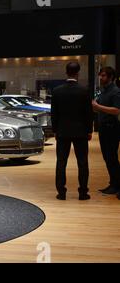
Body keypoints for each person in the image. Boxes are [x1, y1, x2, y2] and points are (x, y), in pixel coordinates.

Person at [51, 62, 93, 201]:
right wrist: (89, 130)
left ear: (66, 72)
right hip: (80, 131)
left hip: (62, 131)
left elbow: (54, 114)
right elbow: (88, 113)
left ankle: (61, 193)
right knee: (82, 162)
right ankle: (82, 193)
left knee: (61, 162)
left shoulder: (57, 91)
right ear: (78, 73)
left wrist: (55, 130)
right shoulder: (84, 90)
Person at [92, 67, 120, 199]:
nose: (101, 78)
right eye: (100, 76)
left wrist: (98, 107)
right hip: (104, 128)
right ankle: (113, 183)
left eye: (103, 76)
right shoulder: (104, 91)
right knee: (107, 158)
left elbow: (116, 110)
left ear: (111, 77)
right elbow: (102, 109)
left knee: (112, 158)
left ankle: (117, 185)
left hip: (112, 128)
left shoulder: (115, 92)